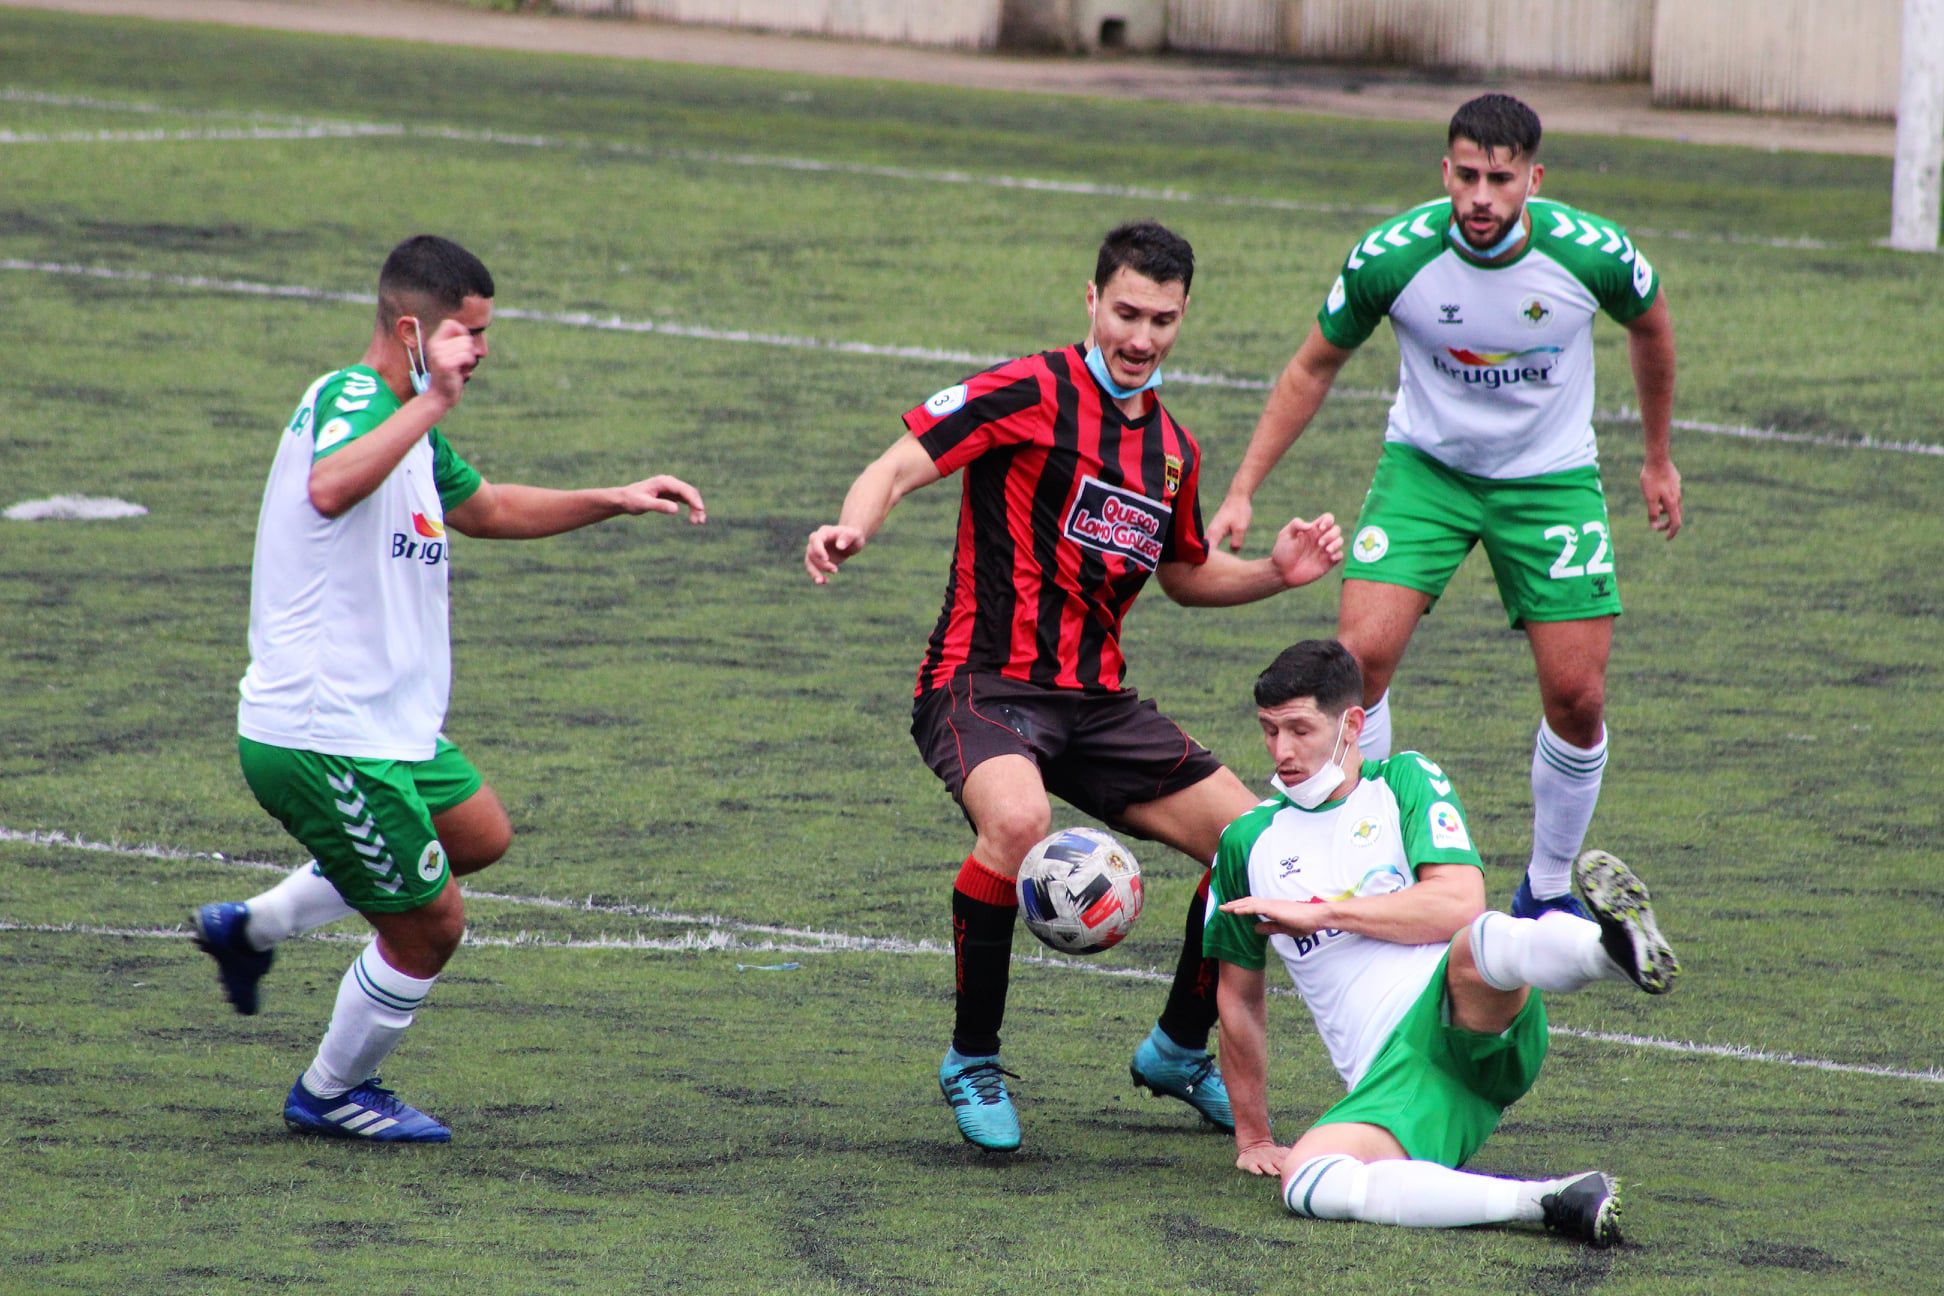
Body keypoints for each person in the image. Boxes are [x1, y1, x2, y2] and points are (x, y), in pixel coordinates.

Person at [804, 220, 1344, 1152]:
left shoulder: (1171, 448)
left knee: (1251, 846)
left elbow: (1182, 576)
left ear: (1182, 320)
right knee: (1016, 825)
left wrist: (1272, 575)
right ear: (1092, 302)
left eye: (1163, 320)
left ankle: (1178, 1049)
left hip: (1095, 704)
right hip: (982, 682)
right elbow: (898, 464)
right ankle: (972, 1058)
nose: (1141, 337)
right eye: (1126, 312)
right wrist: (853, 527)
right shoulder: (1027, 390)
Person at [193, 234, 707, 1142]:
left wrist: (615, 496)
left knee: (475, 833)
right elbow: (326, 488)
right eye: (469, 334)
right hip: (325, 734)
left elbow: (489, 509)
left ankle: (255, 928)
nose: (481, 351)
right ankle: (331, 1092)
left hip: (388, 728)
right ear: (411, 329)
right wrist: (430, 402)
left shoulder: (406, 422)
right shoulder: (357, 399)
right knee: (431, 928)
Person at [1206, 93, 1681, 920]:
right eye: (1467, 176)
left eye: (1501, 179)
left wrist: (1656, 458)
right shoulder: (1393, 258)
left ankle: (1546, 886)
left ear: (1534, 178)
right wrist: (1244, 487)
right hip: (1426, 472)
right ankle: (1374, 861)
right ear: (1445, 172)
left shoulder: (1591, 254)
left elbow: (1652, 327)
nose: (1482, 197)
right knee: (1359, 659)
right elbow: (1312, 365)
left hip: (1549, 480)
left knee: (1578, 696)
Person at [1205, 639, 1679, 1245]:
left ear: (1351, 725)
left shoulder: (1403, 780)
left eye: (1299, 729)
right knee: (1307, 1179)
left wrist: (1321, 913)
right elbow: (1238, 999)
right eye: (1269, 731)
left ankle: (1611, 952)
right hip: (1395, 1085)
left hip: (1470, 1016)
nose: (1282, 751)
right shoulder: (1246, 842)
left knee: (1482, 941)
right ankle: (1549, 1201)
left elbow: (1458, 902)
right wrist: (1254, 1138)